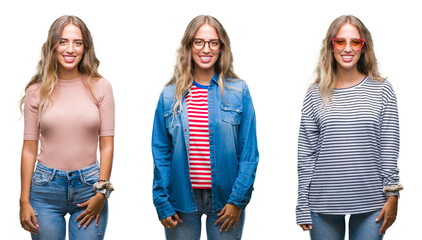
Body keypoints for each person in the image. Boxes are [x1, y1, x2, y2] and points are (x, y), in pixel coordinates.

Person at [151, 15, 259, 240]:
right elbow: (161, 153)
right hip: (180, 199)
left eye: (213, 42)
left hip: (227, 199)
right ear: (189, 47)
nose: (206, 49)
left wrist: (238, 200)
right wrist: (161, 201)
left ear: (221, 48)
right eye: (198, 42)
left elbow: (249, 153)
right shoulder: (169, 95)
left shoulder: (239, 92)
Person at [296, 15, 402, 240]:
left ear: (364, 48)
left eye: (355, 42)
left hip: (372, 200)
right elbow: (306, 154)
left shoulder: (382, 90)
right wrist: (302, 203)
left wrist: (393, 196)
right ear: (331, 46)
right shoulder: (315, 94)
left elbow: (389, 148)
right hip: (322, 202)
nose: (348, 48)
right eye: (340, 41)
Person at [19, 15, 115, 240]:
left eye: (77, 42)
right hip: (45, 190)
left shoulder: (101, 87)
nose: (70, 49)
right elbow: (29, 149)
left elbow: (107, 144)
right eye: (63, 41)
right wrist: (23, 200)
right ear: (53, 46)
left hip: (89, 188)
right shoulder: (36, 90)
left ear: (85, 48)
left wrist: (102, 192)